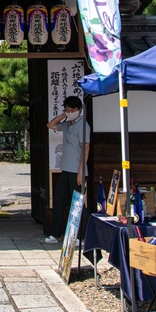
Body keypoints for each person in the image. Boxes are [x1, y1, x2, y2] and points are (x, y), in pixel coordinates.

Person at [44, 96, 89, 244]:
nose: (70, 112)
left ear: (79, 110)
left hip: (77, 171)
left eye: (73, 109)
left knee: (77, 203)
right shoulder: (67, 124)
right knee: (58, 201)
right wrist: (65, 114)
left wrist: (81, 171)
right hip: (65, 170)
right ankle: (56, 234)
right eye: (68, 109)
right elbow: (50, 125)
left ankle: (81, 236)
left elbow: (86, 148)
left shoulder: (83, 125)